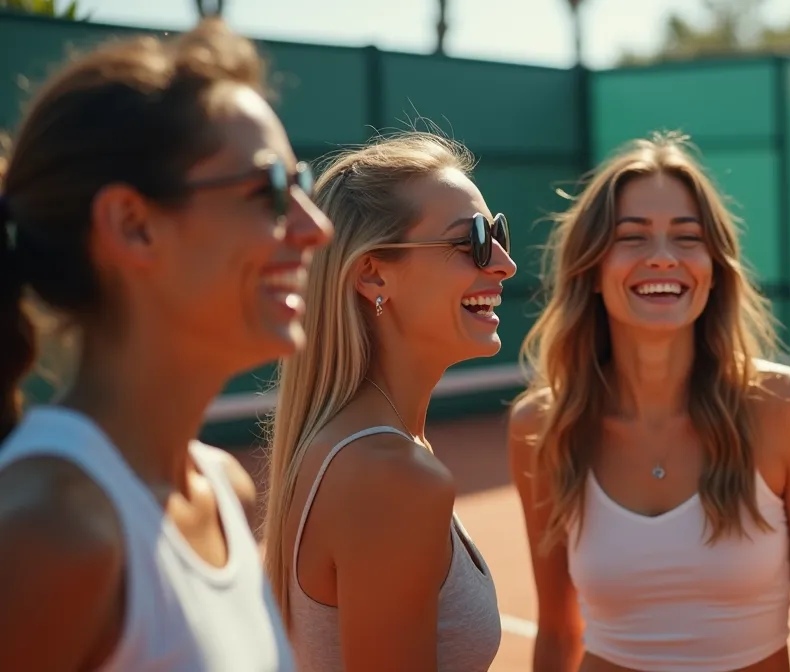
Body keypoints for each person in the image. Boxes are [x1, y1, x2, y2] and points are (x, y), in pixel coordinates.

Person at [0, 19, 331, 671]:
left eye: (303, 183)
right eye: (269, 189)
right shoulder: (50, 533)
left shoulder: (223, 488)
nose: (313, 227)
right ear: (133, 225)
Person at [509, 132, 790, 672]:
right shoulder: (541, 425)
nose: (663, 258)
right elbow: (559, 632)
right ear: (590, 268)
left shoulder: (787, 407)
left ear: (713, 267)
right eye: (632, 238)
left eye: (687, 238)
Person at [261, 131, 514, 671]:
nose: (501, 264)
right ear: (373, 272)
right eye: (470, 239)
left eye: (498, 233)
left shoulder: (362, 449)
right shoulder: (389, 475)